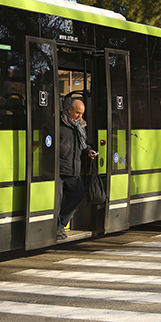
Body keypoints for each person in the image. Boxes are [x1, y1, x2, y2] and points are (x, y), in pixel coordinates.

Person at [57, 98, 97, 240]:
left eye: (82, 113)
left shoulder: (80, 126)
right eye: (77, 113)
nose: (80, 116)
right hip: (59, 169)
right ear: (69, 111)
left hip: (73, 169)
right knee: (57, 199)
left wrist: (88, 151)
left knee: (78, 195)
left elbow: (82, 144)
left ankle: (60, 223)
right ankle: (58, 228)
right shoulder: (58, 124)